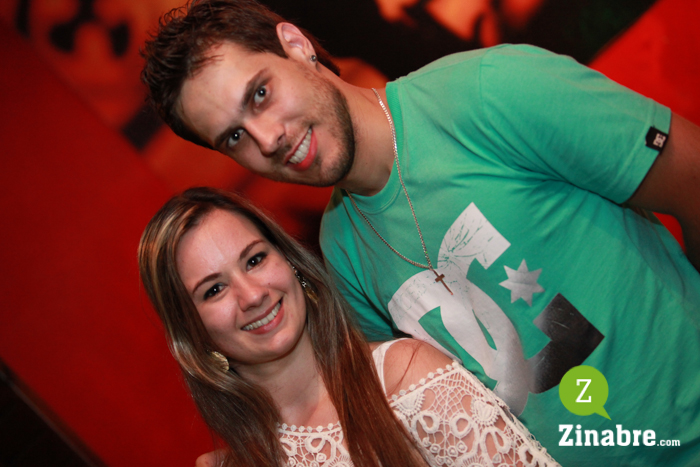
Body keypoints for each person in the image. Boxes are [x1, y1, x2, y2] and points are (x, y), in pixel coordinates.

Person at [140, 1, 700, 464]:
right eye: (235, 137)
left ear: (296, 45)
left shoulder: (488, 92)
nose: (267, 139)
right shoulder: (341, 253)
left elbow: (693, 179)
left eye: (260, 94)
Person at [138, 187, 558, 467]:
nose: (251, 295)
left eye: (255, 259)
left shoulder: (405, 380)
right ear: (192, 331)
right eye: (214, 290)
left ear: (290, 262)